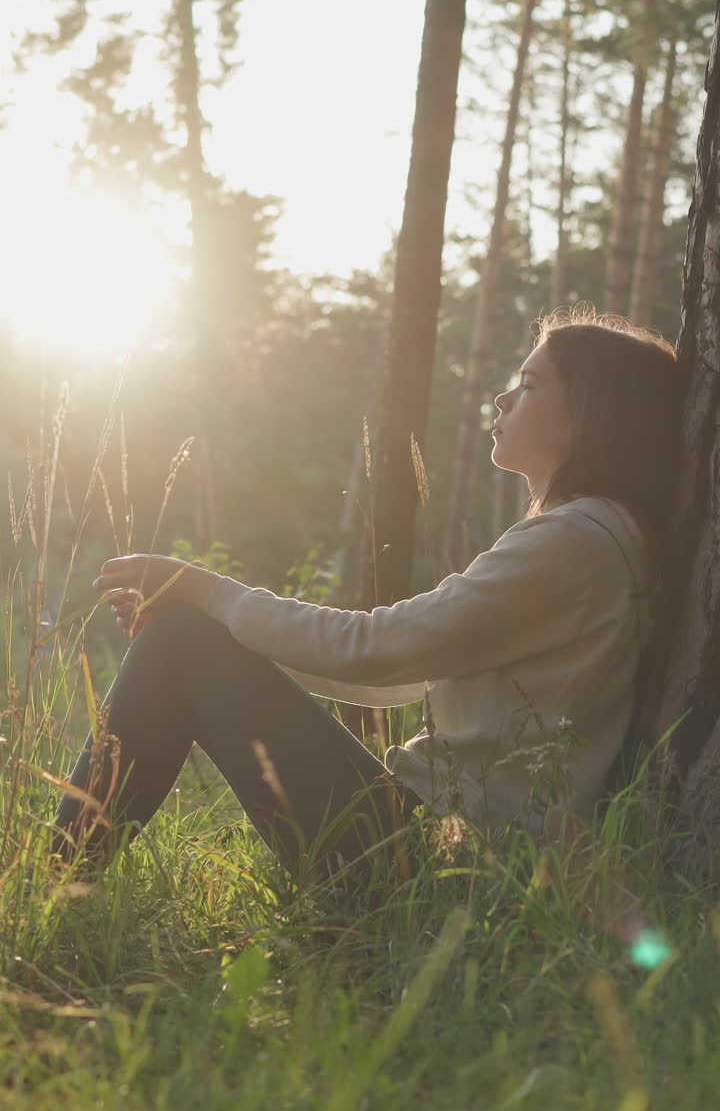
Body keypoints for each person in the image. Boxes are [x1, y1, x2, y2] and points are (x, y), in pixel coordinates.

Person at [54, 308, 682, 884]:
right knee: (190, 636)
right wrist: (218, 620)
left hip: (435, 860)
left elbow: (376, 648)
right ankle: (61, 879)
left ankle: (56, 882)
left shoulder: (574, 540)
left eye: (530, 384)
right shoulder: (594, 536)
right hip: (448, 850)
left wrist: (202, 590)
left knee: (179, 642)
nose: (503, 396)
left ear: (590, 414)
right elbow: (398, 673)